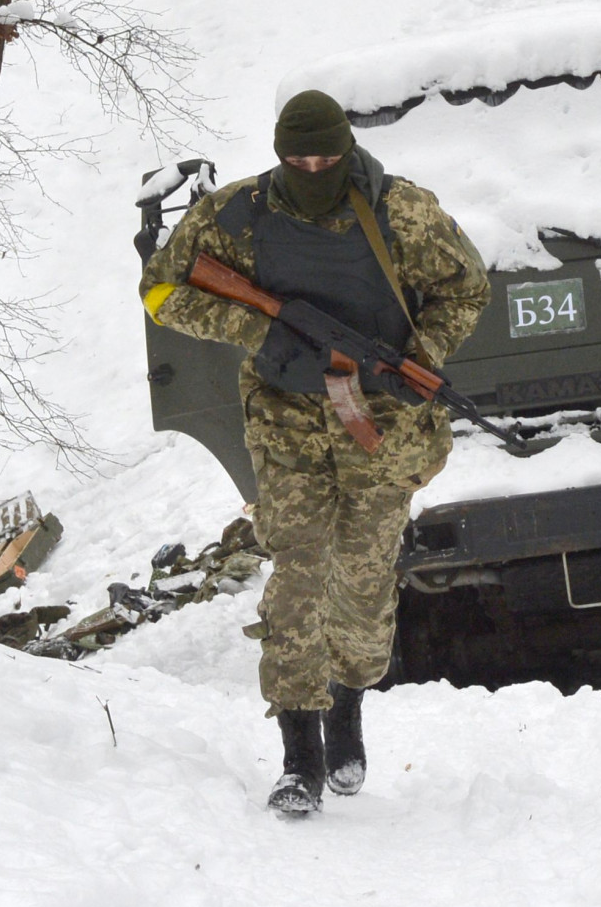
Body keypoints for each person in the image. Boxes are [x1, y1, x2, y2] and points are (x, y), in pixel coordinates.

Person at [139, 89, 489, 817]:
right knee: (299, 574)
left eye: (327, 156)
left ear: (347, 147)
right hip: (284, 417)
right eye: (297, 157)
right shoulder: (237, 215)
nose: (312, 166)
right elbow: (161, 289)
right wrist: (260, 330)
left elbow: (468, 288)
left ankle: (348, 713)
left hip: (382, 426)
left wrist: (414, 355)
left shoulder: (402, 211)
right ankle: (300, 754)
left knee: (362, 582)